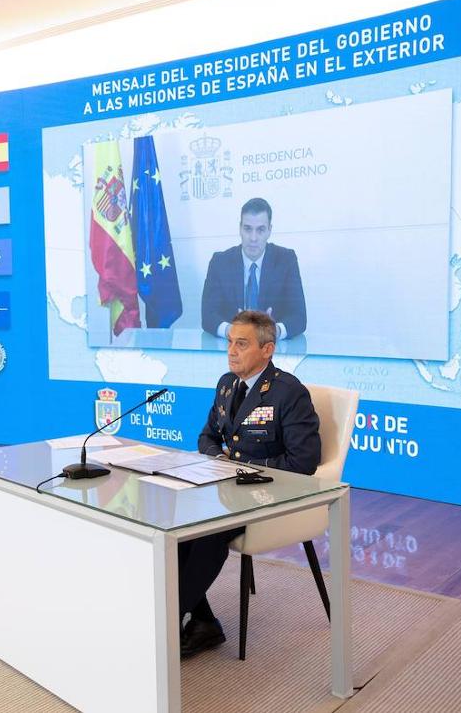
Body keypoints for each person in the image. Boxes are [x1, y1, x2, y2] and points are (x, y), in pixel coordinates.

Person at [178, 309, 321, 658]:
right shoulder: (227, 384)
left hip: (270, 493)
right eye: (230, 342)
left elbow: (303, 462)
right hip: (228, 487)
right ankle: (203, 620)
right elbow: (207, 437)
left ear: (267, 349)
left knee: (208, 530)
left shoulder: (289, 392)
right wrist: (220, 459)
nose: (231, 351)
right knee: (176, 523)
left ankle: (166, 618)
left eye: (241, 344)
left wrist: (241, 467)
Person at [201, 197, 307, 341]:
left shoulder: (286, 260)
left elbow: (299, 317)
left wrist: (275, 330)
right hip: (232, 348)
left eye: (260, 230)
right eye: (247, 229)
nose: (253, 238)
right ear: (240, 228)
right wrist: (230, 330)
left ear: (269, 230)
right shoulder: (220, 262)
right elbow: (207, 316)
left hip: (272, 349)